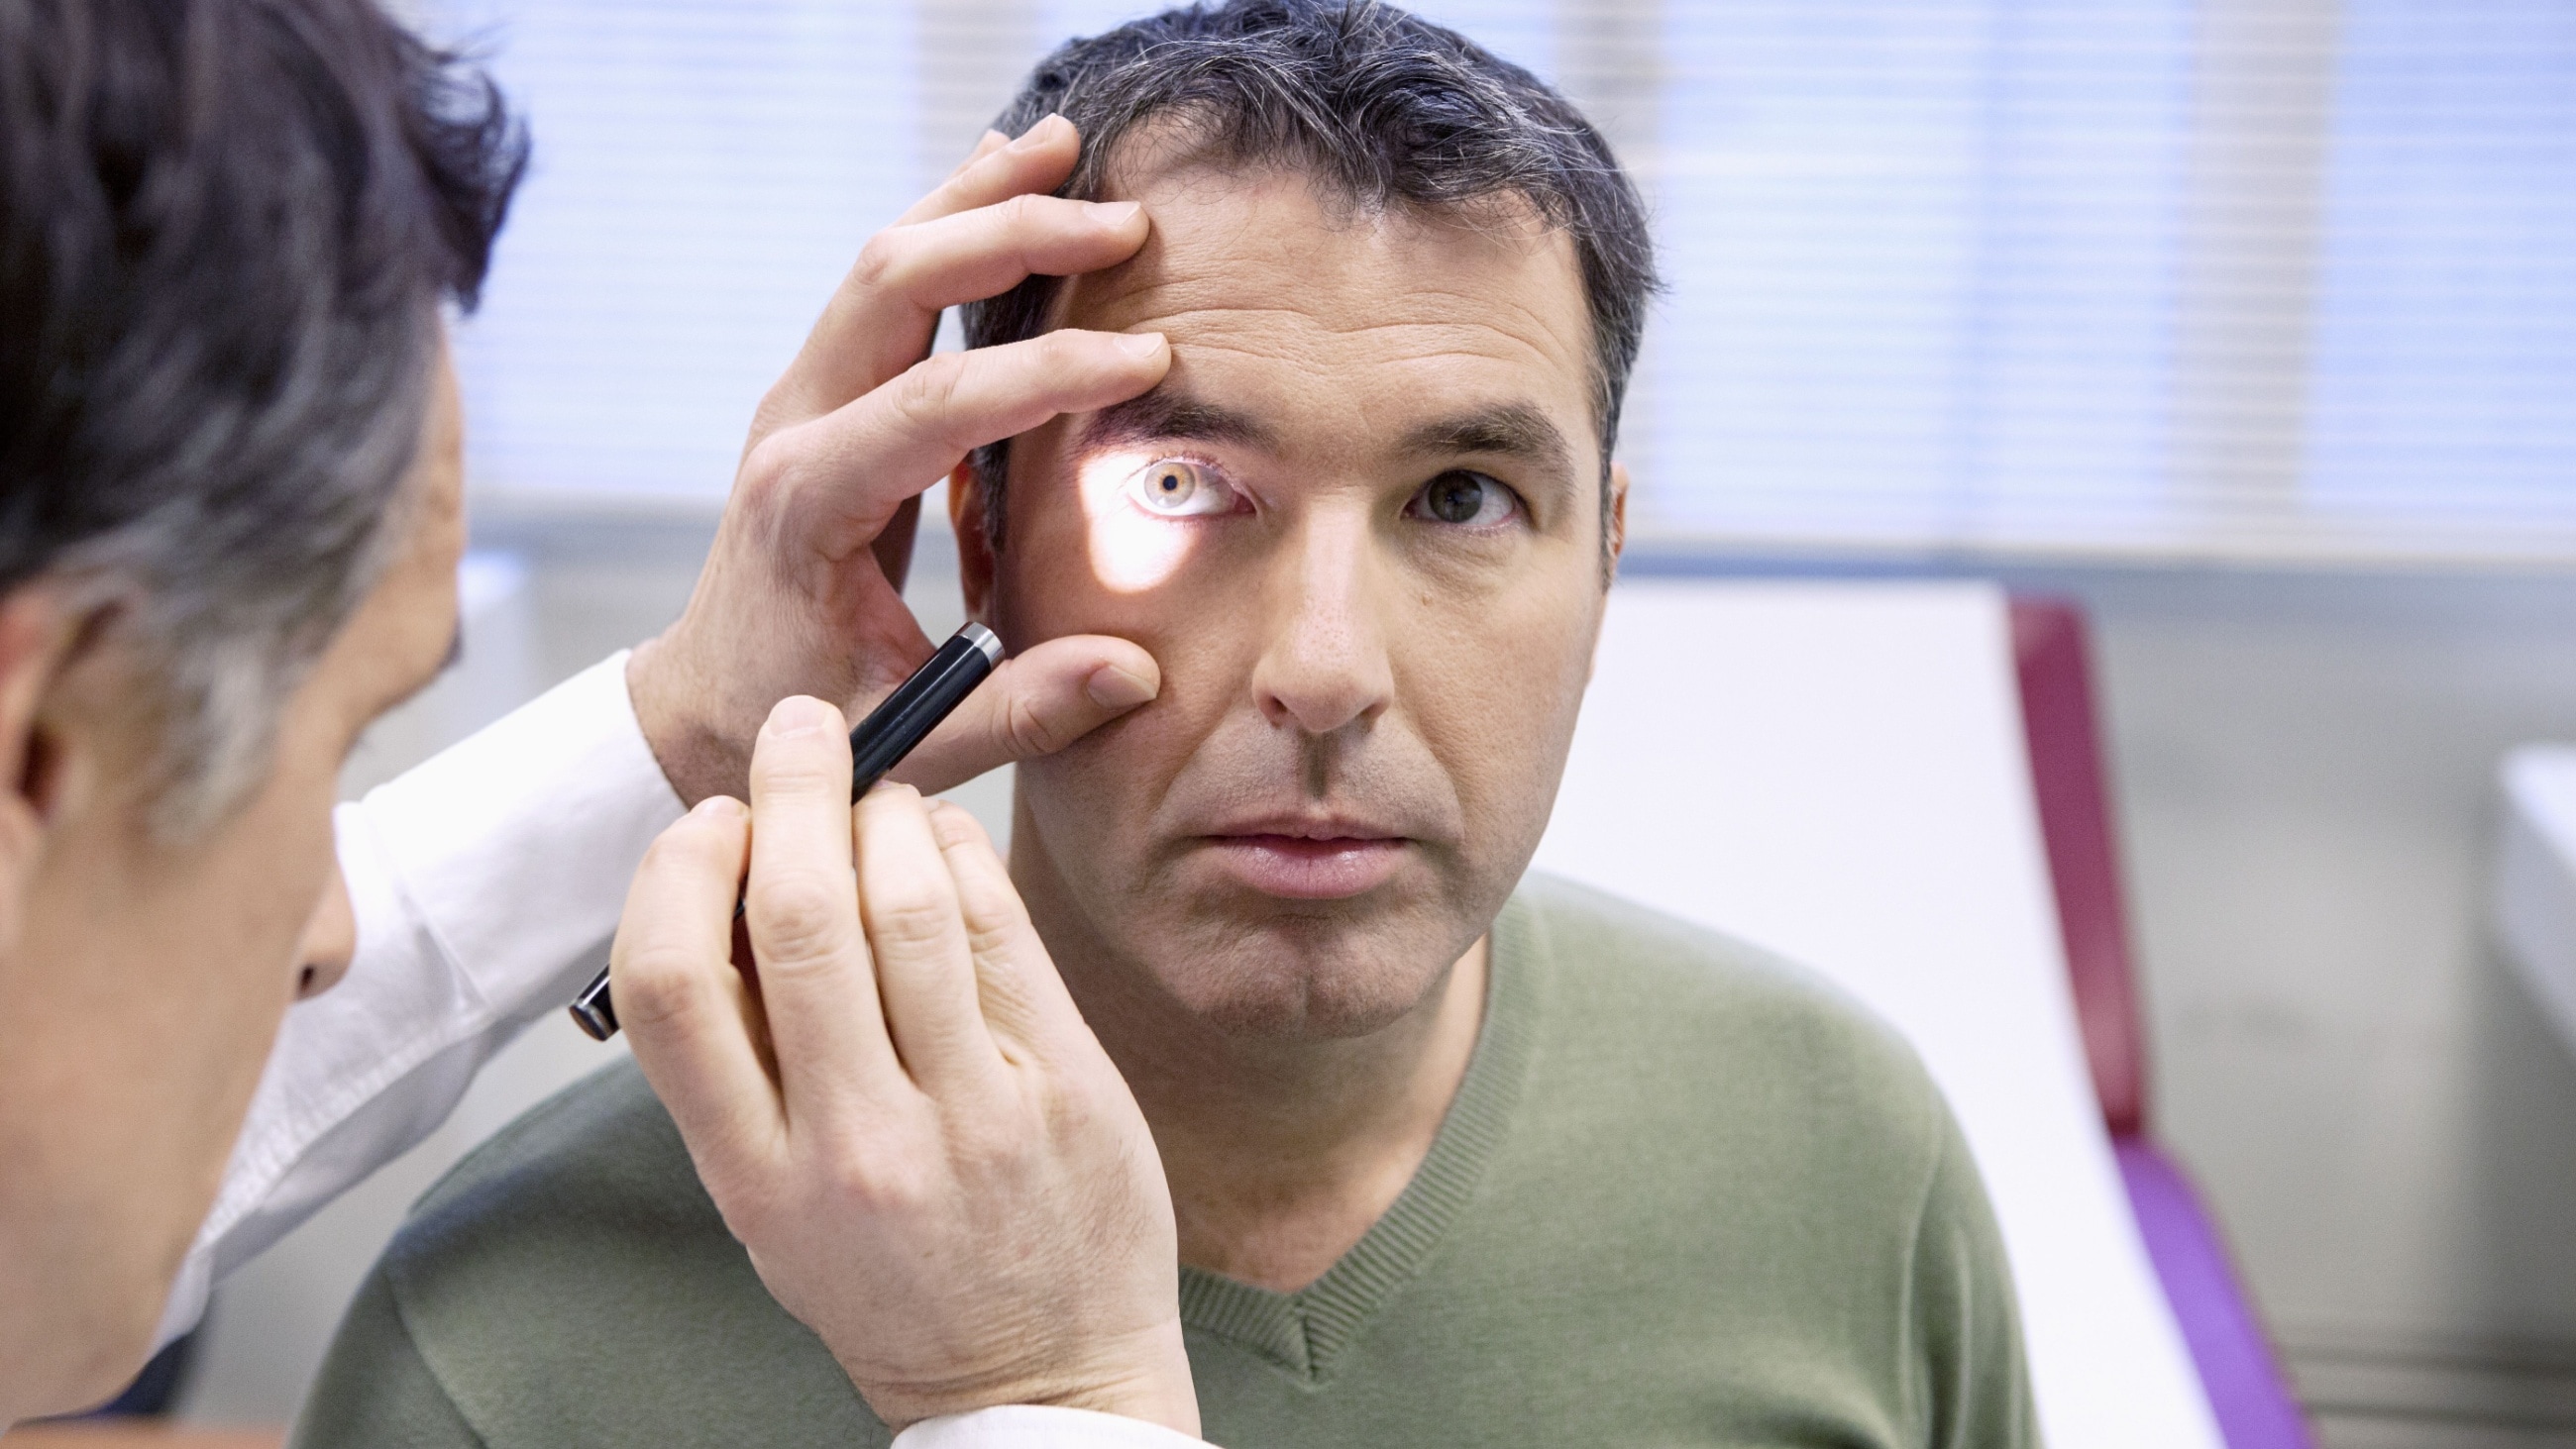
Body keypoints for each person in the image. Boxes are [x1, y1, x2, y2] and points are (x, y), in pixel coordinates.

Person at [295, 4, 2041, 1447]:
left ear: (1607, 561)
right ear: (977, 539)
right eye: (1184, 483)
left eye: (1460, 499)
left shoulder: (1845, 1159)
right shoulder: (511, 1341)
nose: (1329, 669)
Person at [2, 0, 1214, 1441]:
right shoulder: (491, 1349)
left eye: (1455, 497)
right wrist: (1050, 1403)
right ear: (35, 755)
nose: (330, 944)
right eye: (325, 744)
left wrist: (693, 726)